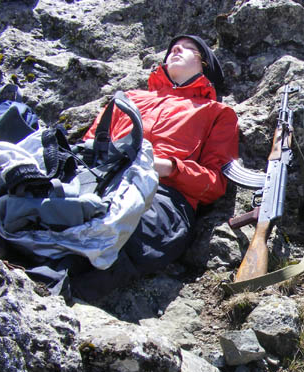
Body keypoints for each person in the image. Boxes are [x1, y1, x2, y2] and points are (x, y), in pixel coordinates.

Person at [70, 35, 239, 300]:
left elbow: (215, 183)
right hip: (100, 181)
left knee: (128, 236)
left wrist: (168, 167)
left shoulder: (216, 112)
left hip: (161, 197)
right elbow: (88, 147)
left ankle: (65, 297)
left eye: (190, 49)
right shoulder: (127, 98)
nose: (177, 49)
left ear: (204, 63)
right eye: (173, 47)